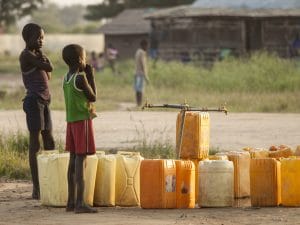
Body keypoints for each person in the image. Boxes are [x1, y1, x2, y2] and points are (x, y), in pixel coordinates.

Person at [19, 23, 55, 200]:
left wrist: (43, 57)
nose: (42, 40)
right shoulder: (26, 55)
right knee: (35, 144)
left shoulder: (37, 55)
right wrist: (44, 59)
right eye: (38, 37)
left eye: (43, 37)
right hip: (33, 101)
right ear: (28, 39)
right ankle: (37, 187)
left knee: (50, 140)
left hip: (44, 101)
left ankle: (51, 180)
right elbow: (50, 68)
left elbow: (48, 75)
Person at [62, 44, 97, 213]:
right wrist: (91, 76)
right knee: (81, 160)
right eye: (84, 57)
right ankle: (80, 203)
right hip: (82, 121)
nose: (86, 61)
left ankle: (70, 202)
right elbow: (93, 97)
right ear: (79, 60)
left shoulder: (65, 78)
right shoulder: (80, 79)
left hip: (70, 122)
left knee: (73, 159)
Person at [134, 39, 149, 107]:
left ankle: (138, 103)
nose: (147, 48)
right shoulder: (142, 53)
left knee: (137, 89)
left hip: (136, 73)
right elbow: (143, 64)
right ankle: (139, 104)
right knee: (140, 89)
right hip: (141, 74)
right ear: (144, 45)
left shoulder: (137, 52)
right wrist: (146, 76)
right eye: (146, 46)